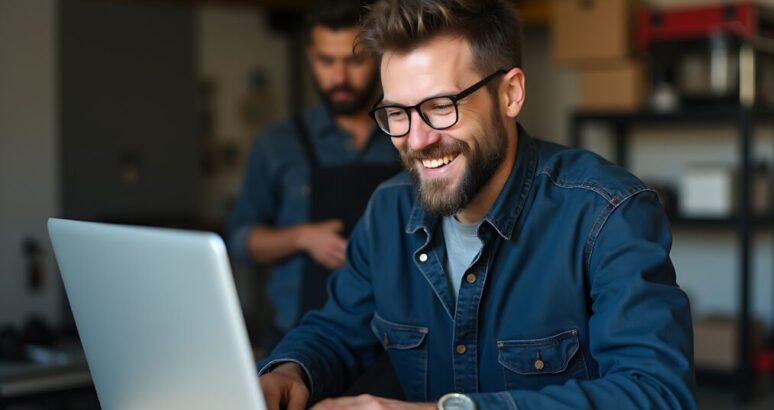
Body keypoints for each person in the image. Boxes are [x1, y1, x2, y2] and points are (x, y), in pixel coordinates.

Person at [257, 0, 696, 409]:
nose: (416, 140)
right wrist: (288, 373)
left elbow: (656, 393)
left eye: (440, 106)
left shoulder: (607, 214)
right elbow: (335, 330)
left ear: (510, 94)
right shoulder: (388, 211)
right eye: (398, 114)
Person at [226, 0, 401, 351]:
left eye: (354, 61)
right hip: (295, 335)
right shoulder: (277, 145)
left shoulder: (408, 137)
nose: (340, 77)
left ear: (378, 56)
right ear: (310, 55)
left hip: (396, 337)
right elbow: (240, 240)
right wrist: (301, 237)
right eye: (326, 61)